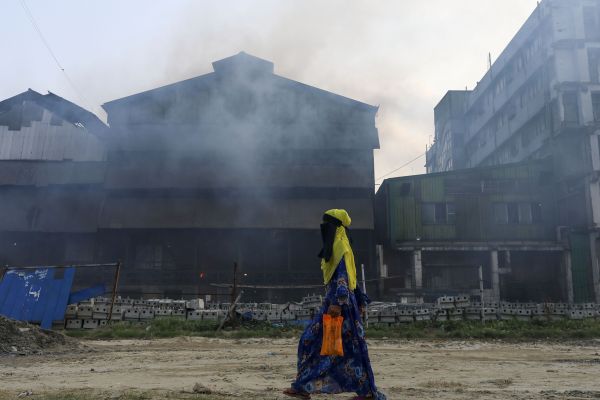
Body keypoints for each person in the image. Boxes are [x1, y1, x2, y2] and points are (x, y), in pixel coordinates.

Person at [283, 209, 386, 400]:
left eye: (327, 225)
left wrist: (338, 303)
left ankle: (366, 393)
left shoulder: (340, 247)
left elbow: (344, 277)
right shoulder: (339, 246)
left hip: (339, 307)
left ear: (335, 227)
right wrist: (358, 299)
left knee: (313, 342)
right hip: (338, 304)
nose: (323, 229)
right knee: (339, 347)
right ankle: (304, 386)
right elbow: (352, 277)